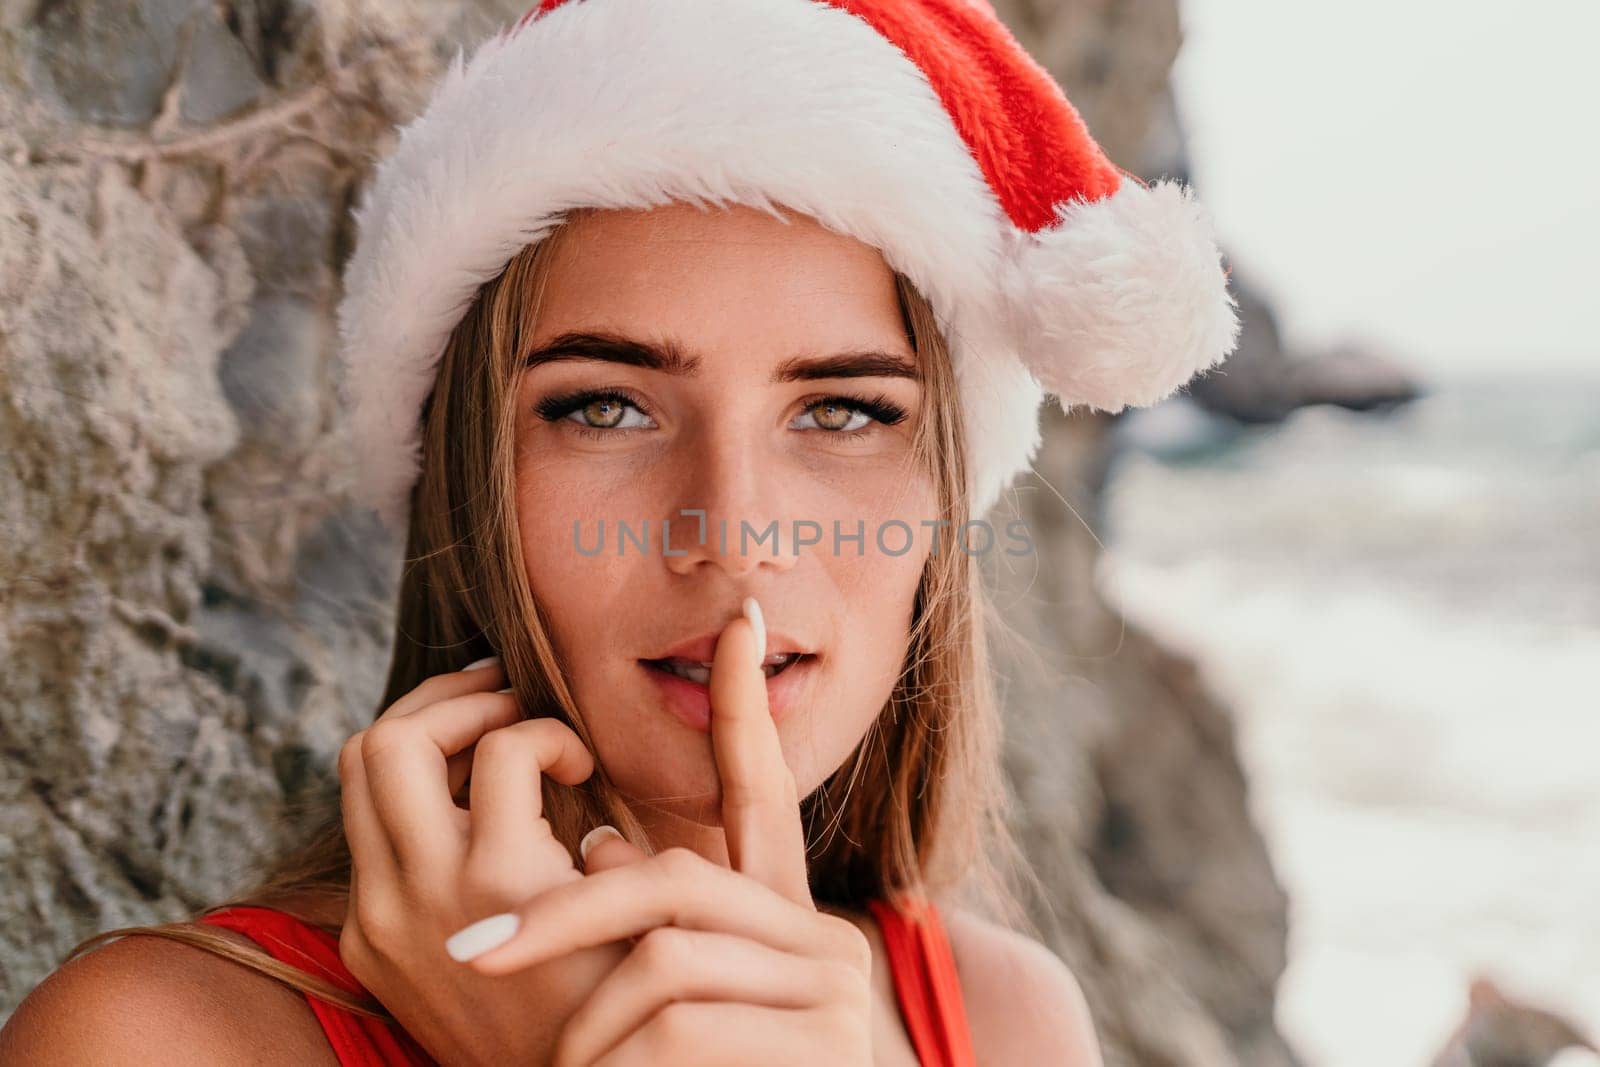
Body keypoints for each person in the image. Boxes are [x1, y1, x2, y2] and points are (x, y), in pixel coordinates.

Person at [0, 0, 1238, 1063]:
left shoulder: (1007, 1018)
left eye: (845, 409)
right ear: (471, 482)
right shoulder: (154, 1036)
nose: (734, 533)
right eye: (606, 406)